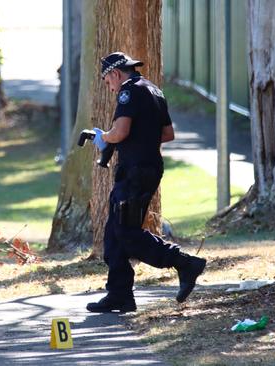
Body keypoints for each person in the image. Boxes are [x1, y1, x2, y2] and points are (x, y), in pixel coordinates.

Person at [86, 51, 207, 313]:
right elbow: (167, 133)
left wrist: (104, 138)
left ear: (115, 74)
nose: (110, 87)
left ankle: (184, 262)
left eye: (108, 82)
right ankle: (120, 295)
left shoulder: (128, 91)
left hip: (135, 171)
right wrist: (136, 139)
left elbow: (120, 132)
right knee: (114, 232)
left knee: (127, 232)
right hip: (148, 167)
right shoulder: (154, 90)